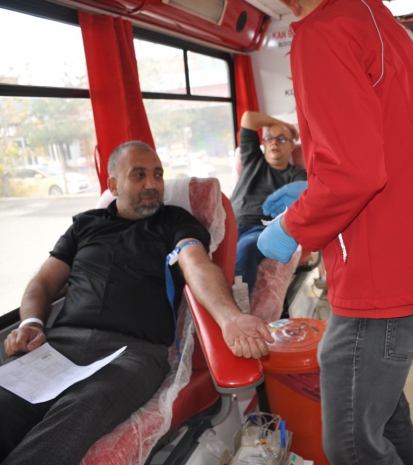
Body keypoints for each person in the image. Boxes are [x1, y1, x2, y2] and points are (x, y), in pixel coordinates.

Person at [260, 1, 413, 464]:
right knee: (383, 415)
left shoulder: (325, 30)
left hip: (379, 270)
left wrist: (292, 226)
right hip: (410, 254)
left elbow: (351, 174)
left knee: (352, 445)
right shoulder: (386, 27)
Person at [0, 141, 273, 465]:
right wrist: (32, 322)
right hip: (61, 343)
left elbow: (196, 264)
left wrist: (229, 317)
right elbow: (44, 281)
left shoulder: (175, 222)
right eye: (139, 175)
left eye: (158, 174)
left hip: (132, 353)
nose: (152, 184)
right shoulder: (84, 225)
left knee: (82, 409)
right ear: (114, 185)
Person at [230, 111, 307, 293]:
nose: (274, 142)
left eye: (281, 139)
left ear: (291, 146)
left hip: (260, 229)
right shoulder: (252, 159)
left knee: (247, 247)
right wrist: (286, 126)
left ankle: (238, 303)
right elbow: (248, 118)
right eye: (269, 138)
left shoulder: (297, 176)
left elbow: (301, 204)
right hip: (230, 224)